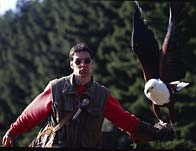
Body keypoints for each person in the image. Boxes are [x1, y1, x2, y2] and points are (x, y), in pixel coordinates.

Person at [2, 42, 176, 148]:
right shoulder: (56, 88)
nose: (82, 65)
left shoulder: (102, 95)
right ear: (71, 64)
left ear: (92, 64)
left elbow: (124, 119)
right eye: (78, 61)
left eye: (86, 61)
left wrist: (152, 131)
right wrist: (12, 132)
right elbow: (32, 113)